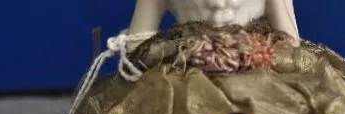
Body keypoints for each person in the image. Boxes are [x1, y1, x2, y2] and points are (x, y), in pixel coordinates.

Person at [127, 0, 300, 44]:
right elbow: (135, 44)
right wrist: (174, 52)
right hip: (187, 74)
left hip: (258, 69)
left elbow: (292, 44)